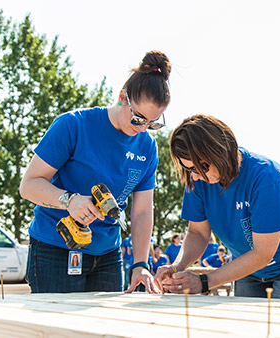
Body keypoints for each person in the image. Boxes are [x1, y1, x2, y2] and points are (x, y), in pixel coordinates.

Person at [19, 51, 171, 294]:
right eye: (138, 119)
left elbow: (142, 211)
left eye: (152, 124)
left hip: (108, 254)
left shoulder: (147, 147)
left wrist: (140, 263)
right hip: (55, 247)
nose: (142, 129)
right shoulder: (73, 125)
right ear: (122, 98)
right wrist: (68, 200)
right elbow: (29, 185)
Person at [154, 114, 280, 300]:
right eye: (188, 169)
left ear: (220, 151)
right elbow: (198, 233)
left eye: (199, 167)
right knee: (248, 328)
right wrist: (177, 267)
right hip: (247, 266)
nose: (194, 176)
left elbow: (263, 253)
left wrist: (204, 282)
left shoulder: (267, 178)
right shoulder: (196, 181)